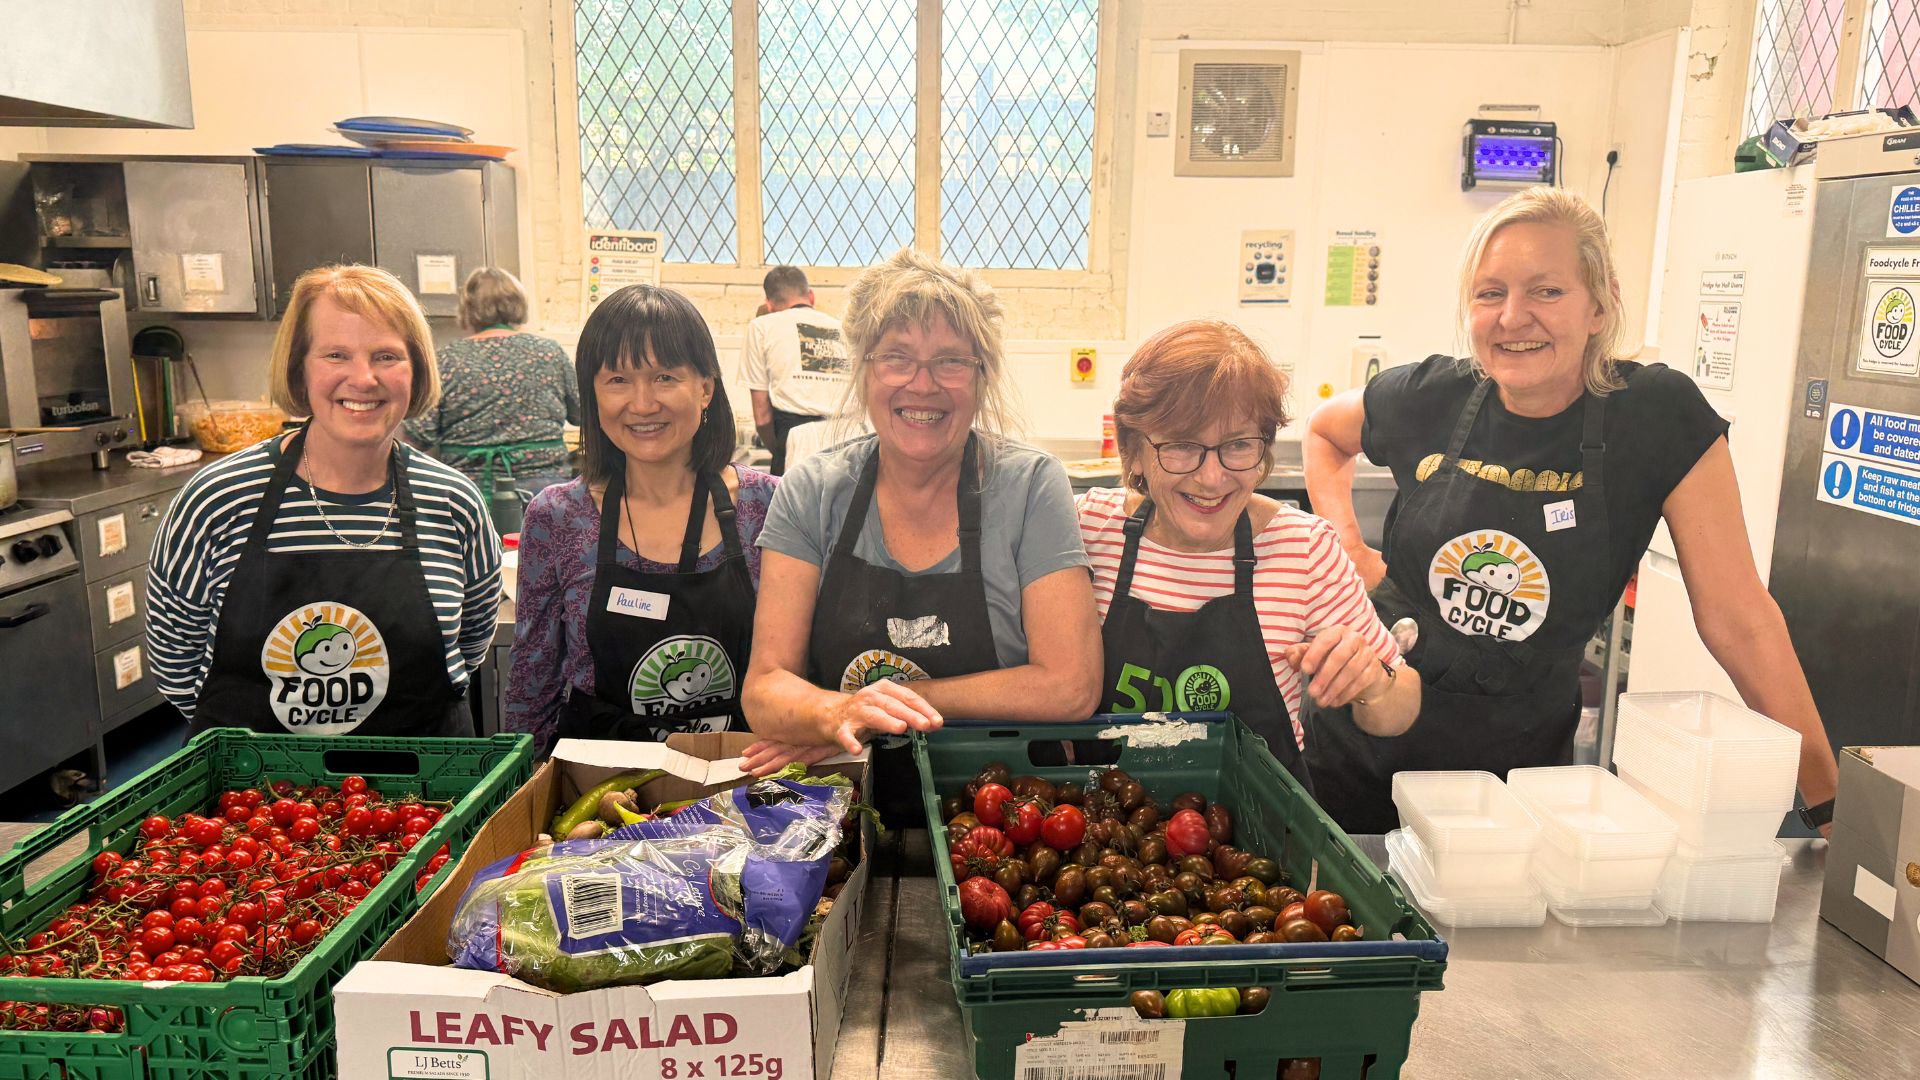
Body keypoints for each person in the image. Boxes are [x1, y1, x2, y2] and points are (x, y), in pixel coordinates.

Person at [1303, 186, 1840, 833]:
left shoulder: (1656, 417)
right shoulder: (1432, 394)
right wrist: (1348, 552)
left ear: (1600, 303)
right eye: (1490, 293)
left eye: (1546, 292)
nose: (1512, 317)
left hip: (1512, 781)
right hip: (1360, 747)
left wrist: (1830, 803)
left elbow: (1739, 619)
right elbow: (1325, 434)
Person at [740, 248, 1102, 815]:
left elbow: (1070, 685)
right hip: (843, 804)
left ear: (983, 378)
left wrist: (871, 710)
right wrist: (834, 715)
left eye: (951, 361)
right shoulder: (812, 489)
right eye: (897, 358)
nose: (923, 384)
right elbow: (764, 687)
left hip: (1007, 814)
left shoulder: (1030, 486)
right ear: (863, 371)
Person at [147, 265, 502, 737]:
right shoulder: (218, 498)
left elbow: (471, 643)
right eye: (336, 354)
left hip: (423, 792)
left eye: (387, 356)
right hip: (257, 797)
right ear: (299, 367)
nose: (364, 378)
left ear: (416, 370)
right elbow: (176, 661)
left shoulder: (454, 503)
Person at [1079, 320, 1419, 785]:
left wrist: (1373, 685)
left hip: (1253, 836)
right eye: (1181, 446)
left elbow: (1401, 710)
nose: (1212, 477)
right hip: (1101, 832)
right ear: (1132, 451)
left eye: (1238, 445)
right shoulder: (1088, 530)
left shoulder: (1303, 549)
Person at [504, 285, 775, 753]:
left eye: (665, 377)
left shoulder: (767, 506)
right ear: (592, 394)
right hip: (598, 796)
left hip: (744, 783)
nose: (644, 403)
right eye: (618, 380)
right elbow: (534, 681)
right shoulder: (558, 517)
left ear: (706, 388)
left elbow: (801, 670)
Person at [404, 267, 579, 524]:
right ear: (518, 304)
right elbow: (582, 414)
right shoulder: (550, 352)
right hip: (544, 493)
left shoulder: (447, 359)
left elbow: (417, 435)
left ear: (467, 309)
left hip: (468, 495)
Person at [743, 265, 850, 474]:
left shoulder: (761, 327)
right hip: (850, 443)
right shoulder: (843, 328)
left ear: (769, 304)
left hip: (797, 446)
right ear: (811, 296)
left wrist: (780, 449)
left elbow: (762, 417)